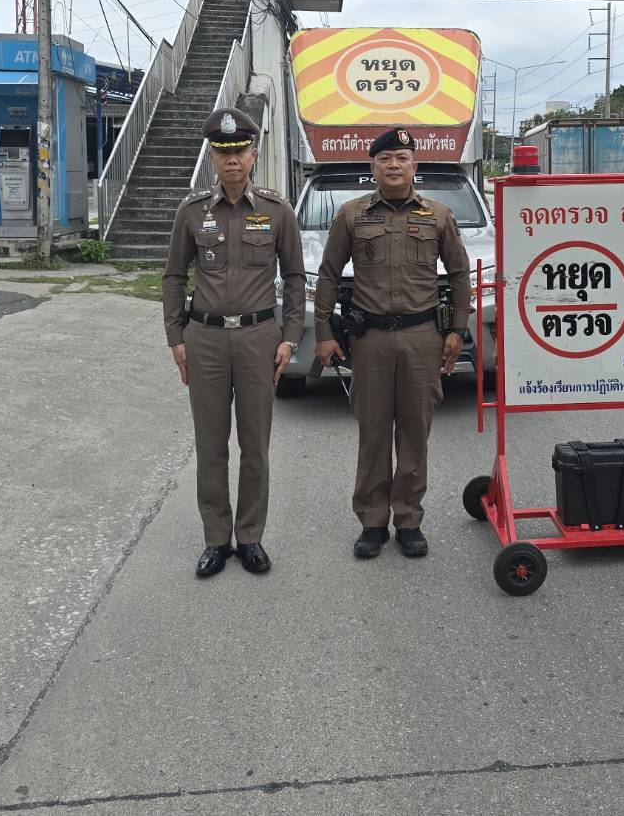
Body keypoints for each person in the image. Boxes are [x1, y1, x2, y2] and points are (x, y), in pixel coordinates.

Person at [314, 127, 469, 560]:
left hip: (422, 338)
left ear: (414, 165)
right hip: (371, 342)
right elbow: (328, 275)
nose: (394, 165)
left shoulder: (438, 215)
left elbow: (459, 275)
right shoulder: (351, 215)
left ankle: (409, 520)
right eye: (385, 159)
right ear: (373, 166)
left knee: (415, 433)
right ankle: (372, 521)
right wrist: (323, 332)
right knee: (374, 433)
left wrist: (456, 330)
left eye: (402, 158)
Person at [163, 107, 305, 578]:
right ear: (212, 157)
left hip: (258, 339)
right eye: (222, 152)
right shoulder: (192, 211)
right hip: (203, 339)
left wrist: (291, 337)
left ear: (253, 155)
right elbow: (173, 276)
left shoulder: (277, 210)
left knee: (255, 445)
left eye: (239, 151)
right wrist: (175, 336)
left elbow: (296, 278)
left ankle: (250, 537)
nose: (231, 159)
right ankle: (215, 539)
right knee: (211, 445)